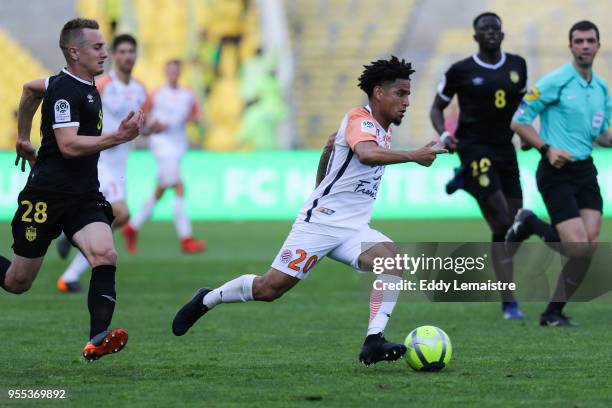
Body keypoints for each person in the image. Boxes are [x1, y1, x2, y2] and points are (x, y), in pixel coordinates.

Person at [172, 56, 447, 365]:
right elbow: (367, 155)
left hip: (353, 228)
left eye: (408, 94)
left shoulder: (380, 130)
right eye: (401, 93)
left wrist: (326, 167)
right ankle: (208, 298)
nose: (407, 101)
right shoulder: (360, 119)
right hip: (321, 226)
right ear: (379, 93)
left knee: (392, 262)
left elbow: (332, 150)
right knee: (269, 289)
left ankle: (373, 340)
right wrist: (414, 155)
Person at [0, 18, 144, 361]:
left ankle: (97, 338)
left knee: (106, 255)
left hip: (83, 196)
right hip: (46, 197)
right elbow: (67, 145)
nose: (105, 54)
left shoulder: (77, 82)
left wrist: (23, 137)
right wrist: (119, 137)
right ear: (75, 52)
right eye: (98, 48)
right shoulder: (66, 90)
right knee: (17, 282)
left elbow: (29, 88)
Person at [506, 20, 611, 327]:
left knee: (587, 247)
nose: (585, 46)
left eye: (590, 40)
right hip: (555, 171)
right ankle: (529, 222)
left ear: (598, 45)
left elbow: (602, 135)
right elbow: (518, 121)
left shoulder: (602, 88)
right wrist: (545, 148)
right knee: (577, 247)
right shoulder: (556, 81)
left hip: (585, 170)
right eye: (578, 41)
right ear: (571, 46)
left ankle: (553, 313)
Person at [429, 12, 528, 320]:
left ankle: (465, 180)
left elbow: (524, 106)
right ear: (475, 37)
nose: (490, 32)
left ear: (502, 33)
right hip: (473, 148)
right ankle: (509, 301)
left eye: (495, 28)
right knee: (500, 222)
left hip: (505, 150)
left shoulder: (517, 65)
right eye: (484, 29)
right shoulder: (460, 70)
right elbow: (436, 107)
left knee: (512, 226)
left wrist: (527, 133)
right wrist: (445, 134)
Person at [56, 33, 152, 293]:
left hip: (121, 163)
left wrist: (154, 127)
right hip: (99, 158)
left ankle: (70, 266)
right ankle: (72, 255)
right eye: (121, 51)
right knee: (121, 213)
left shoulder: (141, 89)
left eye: (131, 51)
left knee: (110, 218)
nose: (127, 56)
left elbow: (146, 122)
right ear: (114, 55)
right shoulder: (103, 85)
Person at [122, 60, 207, 254]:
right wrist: (152, 125)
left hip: (178, 146)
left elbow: (196, 116)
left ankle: (132, 227)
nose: (174, 74)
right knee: (179, 187)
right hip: (161, 145)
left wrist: (188, 119)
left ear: (180, 72)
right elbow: (143, 115)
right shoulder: (157, 93)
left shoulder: (187, 94)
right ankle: (186, 238)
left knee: (160, 191)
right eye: (170, 71)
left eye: (177, 71)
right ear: (166, 72)